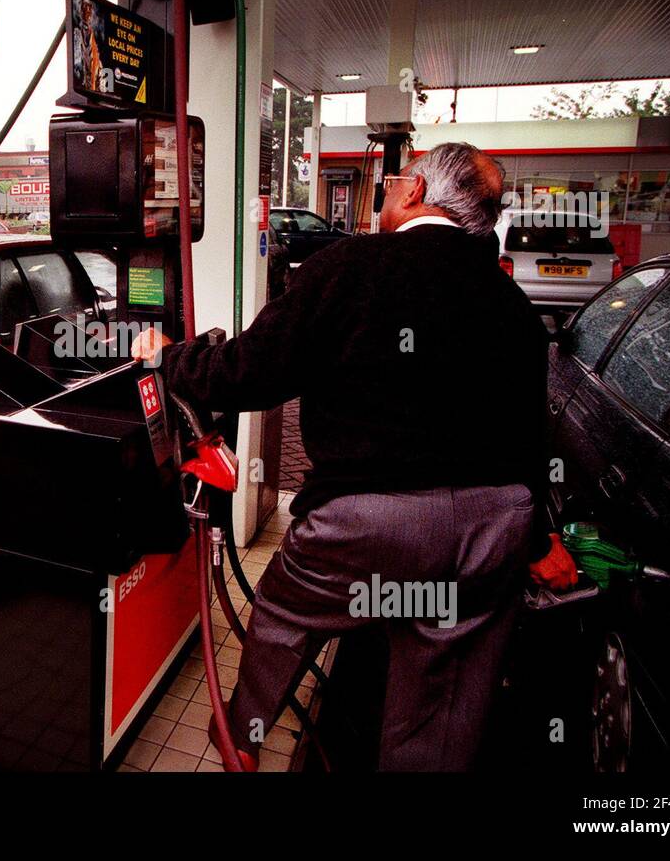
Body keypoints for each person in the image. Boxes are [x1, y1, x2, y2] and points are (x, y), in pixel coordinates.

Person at [134, 142, 577, 771]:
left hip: (364, 526)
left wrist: (168, 357)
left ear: (417, 192)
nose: (388, 192)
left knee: (284, 612)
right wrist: (536, 542)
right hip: (489, 528)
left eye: (394, 182)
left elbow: (244, 373)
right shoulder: (513, 306)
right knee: (441, 681)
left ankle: (241, 736)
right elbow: (528, 439)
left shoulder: (351, 266)